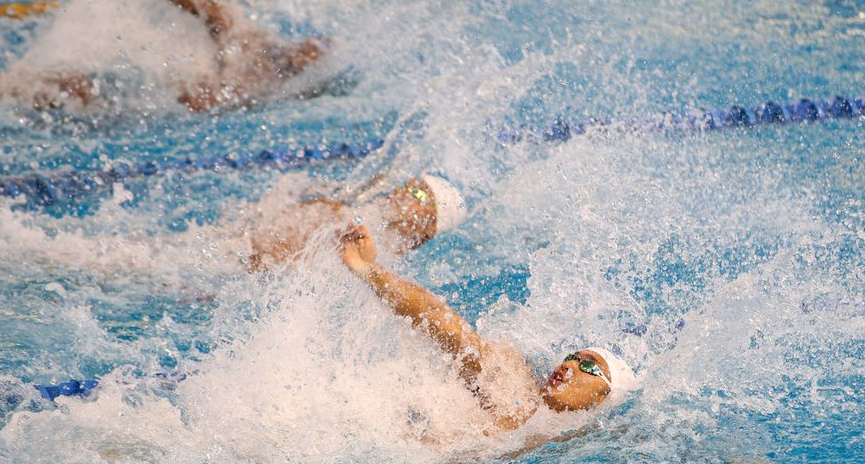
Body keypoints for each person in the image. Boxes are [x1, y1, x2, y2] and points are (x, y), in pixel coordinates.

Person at [337, 224, 637, 433]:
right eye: (573, 355)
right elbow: (440, 320)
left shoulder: (580, 439)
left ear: (605, 397)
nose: (570, 363)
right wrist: (367, 268)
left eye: (588, 364)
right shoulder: (514, 384)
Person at [0, 0, 328, 111]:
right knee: (75, 90)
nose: (306, 51)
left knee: (78, 92)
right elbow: (205, 7)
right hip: (150, 96)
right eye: (308, 48)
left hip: (150, 101)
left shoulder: (261, 82)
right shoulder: (253, 46)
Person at [238, 173, 467, 272]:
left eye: (418, 193)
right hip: (245, 248)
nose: (404, 191)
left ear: (427, 226)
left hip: (249, 268)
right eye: (410, 184)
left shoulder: (375, 252)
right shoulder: (363, 215)